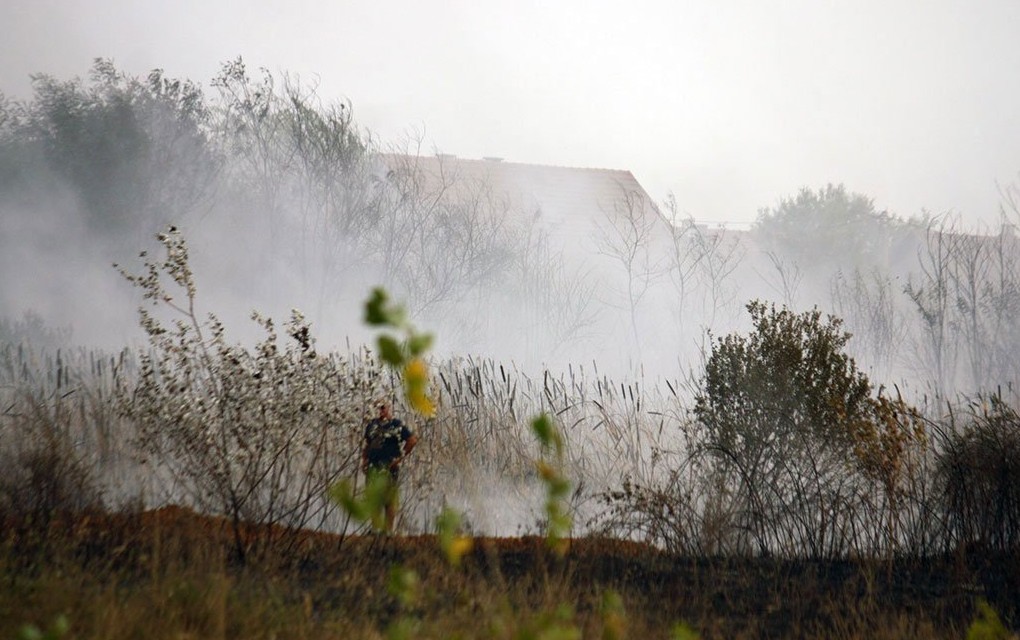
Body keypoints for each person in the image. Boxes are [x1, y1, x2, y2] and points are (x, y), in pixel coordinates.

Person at [361, 402, 418, 532]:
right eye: (378, 407)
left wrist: (400, 458)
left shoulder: (396, 425)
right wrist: (364, 460)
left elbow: (412, 440)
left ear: (388, 408)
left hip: (389, 467)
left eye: (383, 407)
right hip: (373, 466)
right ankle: (375, 529)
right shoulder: (372, 425)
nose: (381, 410)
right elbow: (367, 444)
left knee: (389, 500)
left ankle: (388, 531)